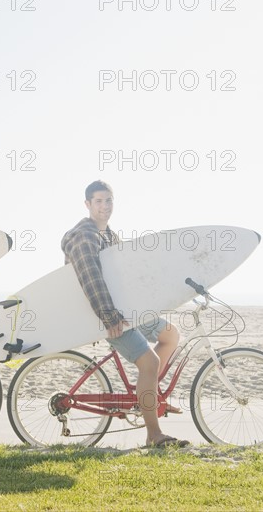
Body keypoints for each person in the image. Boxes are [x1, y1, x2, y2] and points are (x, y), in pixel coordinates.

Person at [61, 180, 189, 448]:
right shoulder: (84, 236)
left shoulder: (109, 235)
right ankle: (154, 435)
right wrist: (109, 317)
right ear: (87, 204)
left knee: (170, 335)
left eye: (109, 200)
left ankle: (149, 396)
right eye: (98, 201)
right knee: (150, 363)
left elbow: (127, 274)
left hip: (125, 308)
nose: (105, 206)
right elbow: (91, 279)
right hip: (104, 314)